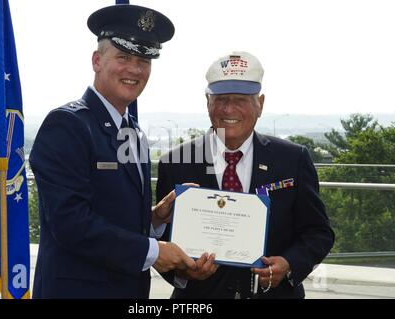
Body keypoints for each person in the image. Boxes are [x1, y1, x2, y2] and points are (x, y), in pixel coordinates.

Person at [29, 4, 196, 299]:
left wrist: (156, 218)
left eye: (144, 60)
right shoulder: (67, 124)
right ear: (97, 60)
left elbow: (114, 215)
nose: (134, 69)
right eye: (123, 57)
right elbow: (71, 223)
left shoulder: (133, 131)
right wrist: (155, 251)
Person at [156, 51, 335, 299]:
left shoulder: (293, 159)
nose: (229, 108)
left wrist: (289, 264)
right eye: (220, 99)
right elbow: (160, 242)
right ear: (208, 102)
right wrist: (184, 273)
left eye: (240, 99)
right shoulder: (175, 162)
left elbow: (318, 232)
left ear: (260, 104)